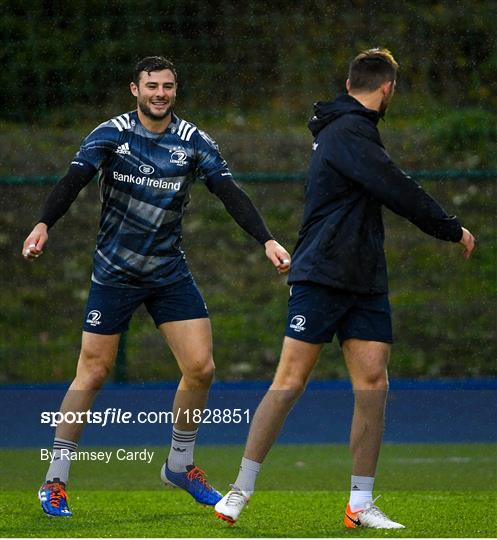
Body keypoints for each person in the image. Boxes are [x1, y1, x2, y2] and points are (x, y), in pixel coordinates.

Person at [214, 48, 476, 529]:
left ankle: (360, 503)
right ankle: (239, 489)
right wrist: (450, 228)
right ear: (387, 88)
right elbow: (396, 187)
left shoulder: (352, 131)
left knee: (374, 383)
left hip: (364, 280)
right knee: (289, 382)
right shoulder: (348, 132)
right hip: (320, 275)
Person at [23, 56, 291, 517]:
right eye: (152, 86)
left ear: (175, 91)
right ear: (135, 89)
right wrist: (43, 224)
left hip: (168, 273)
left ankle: (179, 465)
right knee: (93, 371)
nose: (160, 93)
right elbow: (73, 181)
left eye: (168, 86)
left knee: (201, 368)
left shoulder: (193, 142)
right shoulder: (111, 134)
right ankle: (55, 480)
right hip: (115, 272)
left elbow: (229, 191)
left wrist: (266, 239)